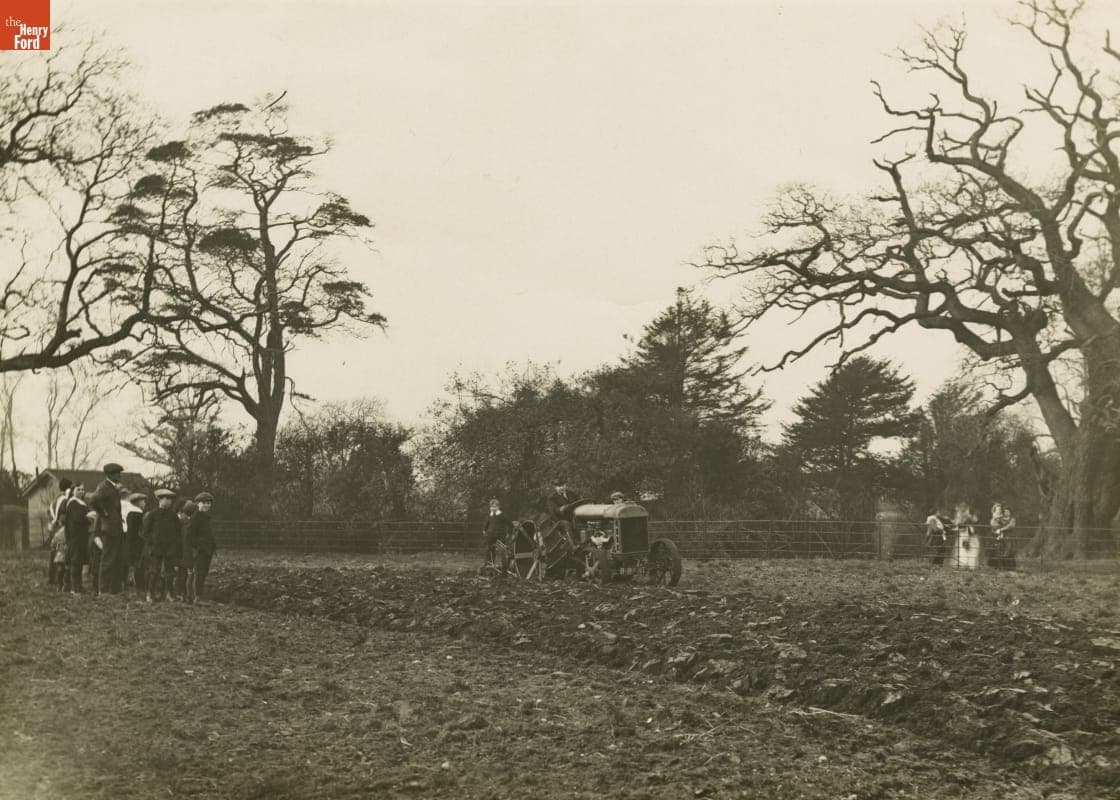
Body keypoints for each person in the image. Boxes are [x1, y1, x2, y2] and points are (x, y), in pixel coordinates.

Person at [88, 462, 126, 595]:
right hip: (109, 529)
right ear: (110, 474)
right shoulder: (105, 487)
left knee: (115, 560)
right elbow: (93, 500)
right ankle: (103, 591)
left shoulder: (112, 487)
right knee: (107, 561)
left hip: (115, 528)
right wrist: (104, 514)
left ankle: (113, 590)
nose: (120, 476)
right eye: (117, 473)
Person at [142, 489, 181, 603]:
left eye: (170, 499)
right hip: (156, 548)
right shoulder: (153, 514)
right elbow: (145, 532)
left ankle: (168, 594)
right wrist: (151, 544)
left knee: (169, 572)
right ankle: (150, 594)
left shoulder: (173, 516)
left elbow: (178, 532)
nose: (169, 501)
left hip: (169, 548)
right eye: (166, 499)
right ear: (160, 499)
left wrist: (174, 545)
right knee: (154, 570)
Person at [186, 492, 216, 603]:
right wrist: (198, 546)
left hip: (207, 550)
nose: (207, 505)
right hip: (200, 551)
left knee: (201, 572)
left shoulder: (206, 517)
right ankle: (197, 597)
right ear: (198, 503)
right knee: (199, 572)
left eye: (209, 503)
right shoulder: (196, 518)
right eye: (204, 503)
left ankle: (193, 596)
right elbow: (189, 536)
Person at [64, 484, 92, 594]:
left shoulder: (82, 503)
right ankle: (74, 587)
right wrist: (88, 518)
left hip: (82, 535)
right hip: (75, 536)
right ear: (73, 491)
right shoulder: (73, 503)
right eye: (78, 489)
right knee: (75, 561)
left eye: (83, 489)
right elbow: (78, 518)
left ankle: (79, 585)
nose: (81, 491)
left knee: (79, 561)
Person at [46, 477, 73, 587]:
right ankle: (61, 582)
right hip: (62, 529)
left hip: (53, 529)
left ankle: (51, 578)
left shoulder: (54, 501)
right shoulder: (64, 500)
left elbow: (49, 514)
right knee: (62, 554)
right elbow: (63, 516)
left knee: (54, 554)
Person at [121, 492, 147, 593]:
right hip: (137, 542)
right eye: (143, 501)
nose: (145, 503)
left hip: (128, 541)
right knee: (138, 565)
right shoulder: (137, 513)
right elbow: (140, 530)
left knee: (126, 564)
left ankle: (124, 585)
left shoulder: (129, 512)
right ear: (137, 502)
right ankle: (139, 587)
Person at [175, 500, 198, 601]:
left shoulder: (181, 523)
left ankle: (180, 593)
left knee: (181, 574)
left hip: (180, 552)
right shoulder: (190, 524)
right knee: (189, 574)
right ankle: (188, 595)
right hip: (188, 553)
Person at [482, 497, 512, 569]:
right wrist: (484, 530)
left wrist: (508, 532)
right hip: (490, 535)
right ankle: (489, 565)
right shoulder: (490, 516)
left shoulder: (502, 515)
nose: (493, 508)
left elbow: (510, 524)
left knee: (502, 551)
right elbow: (486, 524)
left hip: (500, 535)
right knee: (489, 549)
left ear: (498, 507)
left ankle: (504, 567)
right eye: (492, 506)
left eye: (495, 506)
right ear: (490, 507)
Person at [990, 503, 1017, 570]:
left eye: (1008, 512)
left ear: (1010, 512)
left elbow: (1010, 526)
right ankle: (1000, 567)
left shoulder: (1012, 519)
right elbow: (995, 522)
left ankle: (1010, 567)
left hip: (1009, 537)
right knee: (1000, 551)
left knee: (1009, 551)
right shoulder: (1002, 519)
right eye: (1005, 511)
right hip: (1002, 538)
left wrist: (1001, 529)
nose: (1006, 513)